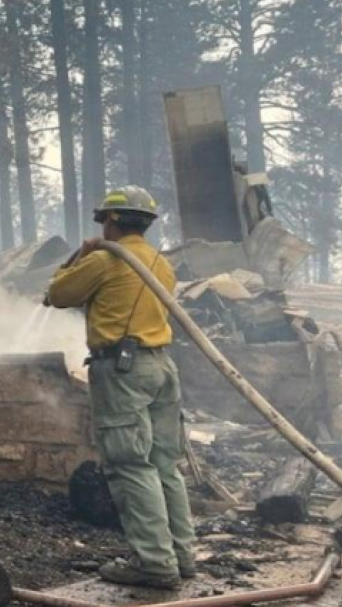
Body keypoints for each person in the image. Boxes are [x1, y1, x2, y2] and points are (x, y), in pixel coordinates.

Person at [46, 186, 196, 590]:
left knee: (130, 464)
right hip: (161, 366)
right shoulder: (160, 263)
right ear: (145, 223)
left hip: (122, 370)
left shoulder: (103, 261)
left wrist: (80, 254)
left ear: (110, 220)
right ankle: (182, 556)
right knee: (165, 463)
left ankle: (153, 563)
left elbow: (56, 294)